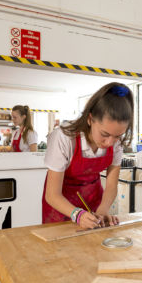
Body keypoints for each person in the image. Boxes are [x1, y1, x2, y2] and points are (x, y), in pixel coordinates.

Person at [42, 82, 134, 228]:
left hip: (94, 201)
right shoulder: (64, 137)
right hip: (61, 207)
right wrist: (77, 214)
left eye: (117, 136)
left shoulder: (116, 143)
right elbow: (52, 195)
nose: (110, 142)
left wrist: (103, 210)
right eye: (105, 134)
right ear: (90, 119)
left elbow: (111, 185)